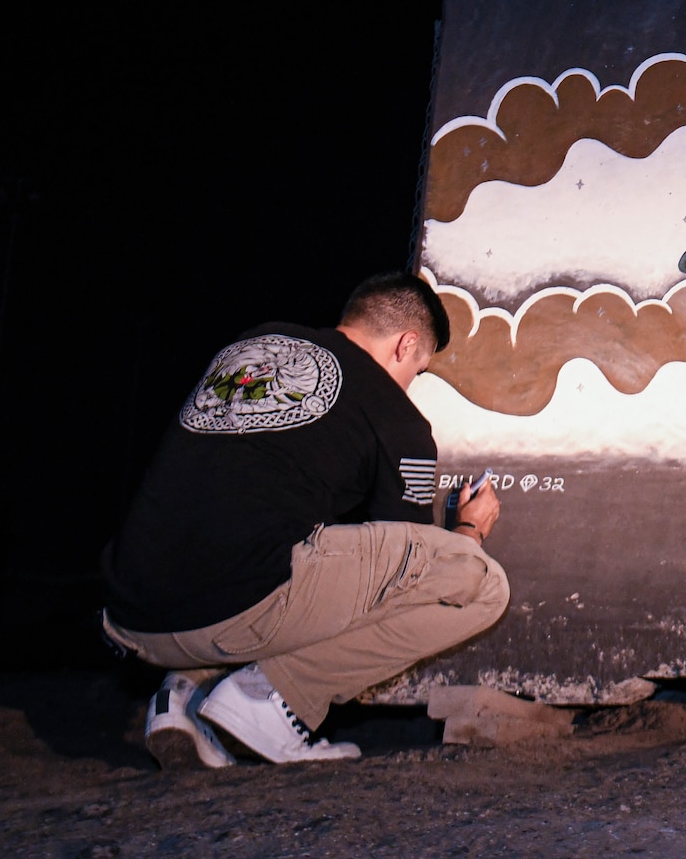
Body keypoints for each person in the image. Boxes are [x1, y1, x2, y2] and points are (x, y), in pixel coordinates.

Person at [101, 273, 508, 767]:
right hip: (231, 613)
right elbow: (412, 566)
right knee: (481, 583)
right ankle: (275, 701)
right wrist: (468, 530)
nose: (410, 384)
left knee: (258, 545)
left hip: (130, 614)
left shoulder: (253, 344)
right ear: (407, 345)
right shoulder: (401, 424)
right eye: (418, 371)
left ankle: (181, 696)